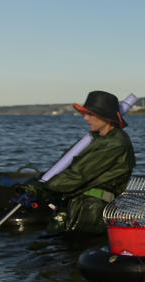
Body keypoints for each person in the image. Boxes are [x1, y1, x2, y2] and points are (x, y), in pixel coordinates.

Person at [17, 90, 136, 234]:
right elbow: (69, 167)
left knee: (73, 251)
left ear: (106, 117)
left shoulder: (116, 143)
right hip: (78, 204)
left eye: (90, 114)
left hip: (92, 212)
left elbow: (78, 175)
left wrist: (42, 188)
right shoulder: (96, 139)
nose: (85, 118)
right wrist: (38, 181)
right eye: (85, 113)